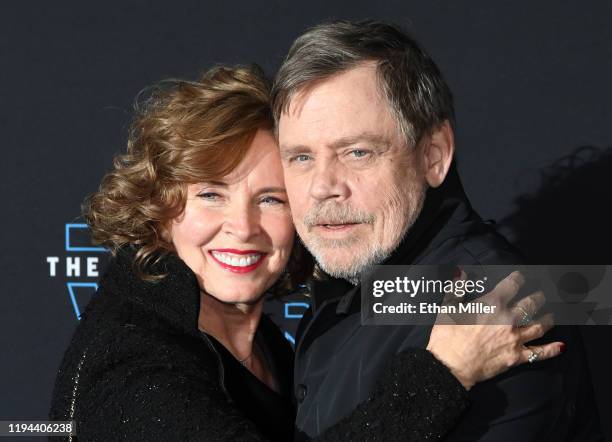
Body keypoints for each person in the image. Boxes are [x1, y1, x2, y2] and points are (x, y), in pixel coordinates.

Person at [49, 65, 559, 441]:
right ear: (161, 210)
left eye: (271, 199)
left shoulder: (267, 336)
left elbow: (570, 293)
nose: (243, 229)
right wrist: (446, 372)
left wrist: (567, 291)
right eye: (210, 194)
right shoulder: (132, 364)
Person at [272, 20, 603, 441]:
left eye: (357, 152)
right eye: (300, 157)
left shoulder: (496, 305)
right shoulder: (353, 289)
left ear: (434, 156)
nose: (322, 187)